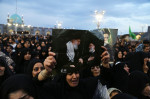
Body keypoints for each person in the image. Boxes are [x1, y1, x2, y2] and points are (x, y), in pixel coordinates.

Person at [36, 47, 110, 99]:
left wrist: (105, 64)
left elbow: (103, 80)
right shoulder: (57, 88)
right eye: (70, 74)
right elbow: (36, 86)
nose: (74, 76)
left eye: (76, 72)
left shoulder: (86, 85)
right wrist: (46, 71)